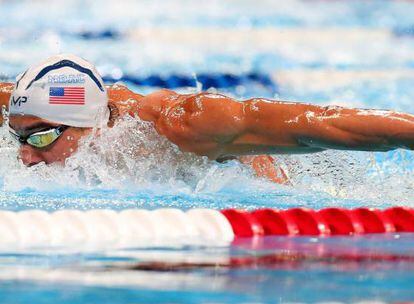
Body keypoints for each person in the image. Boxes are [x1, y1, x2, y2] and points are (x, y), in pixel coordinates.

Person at [2, 54, 414, 184]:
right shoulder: (34, 111)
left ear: (88, 125)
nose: (24, 157)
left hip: (286, 183)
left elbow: (326, 123)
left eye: (38, 140)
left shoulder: (184, 125)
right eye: (17, 137)